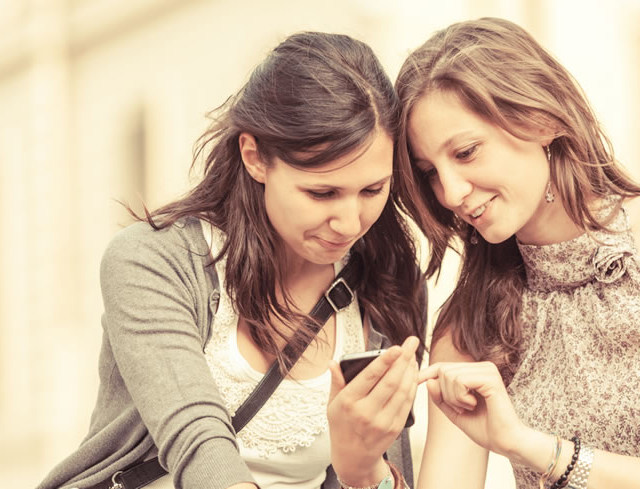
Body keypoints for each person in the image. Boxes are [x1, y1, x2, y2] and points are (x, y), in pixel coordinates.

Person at [395, 18, 640, 489]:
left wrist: (531, 447)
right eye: (429, 173)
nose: (451, 192)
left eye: (464, 153)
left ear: (539, 119)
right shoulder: (471, 322)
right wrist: (365, 467)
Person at [36, 31, 426, 489]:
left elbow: (384, 469)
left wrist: (369, 473)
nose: (349, 221)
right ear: (255, 157)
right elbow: (196, 441)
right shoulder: (151, 262)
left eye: (372, 190)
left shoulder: (388, 283)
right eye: (322, 192)